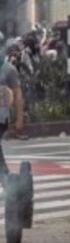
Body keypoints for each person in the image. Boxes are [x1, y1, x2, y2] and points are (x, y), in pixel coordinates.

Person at [0, 48, 24, 184]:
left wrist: (20, 119)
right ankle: (8, 183)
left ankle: (8, 183)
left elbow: (18, 95)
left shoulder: (8, 69)